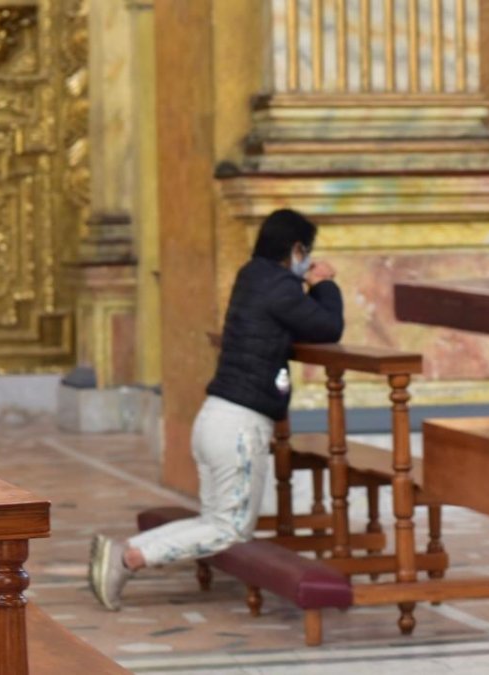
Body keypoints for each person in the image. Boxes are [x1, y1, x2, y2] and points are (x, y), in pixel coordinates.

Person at [89, 208, 344, 611]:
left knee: (214, 521)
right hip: (239, 429)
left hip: (215, 419)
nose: (307, 262)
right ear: (297, 249)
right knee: (229, 530)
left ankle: (120, 553)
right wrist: (324, 283)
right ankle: (128, 557)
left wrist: (307, 286)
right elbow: (328, 328)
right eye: (307, 254)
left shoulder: (252, 277)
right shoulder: (280, 286)